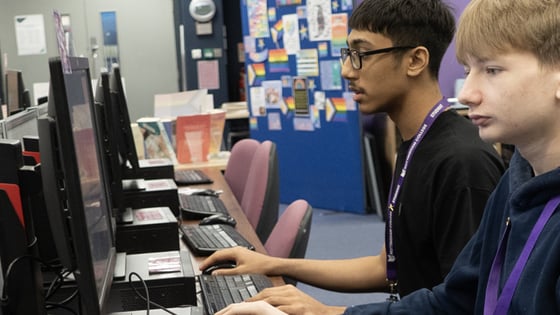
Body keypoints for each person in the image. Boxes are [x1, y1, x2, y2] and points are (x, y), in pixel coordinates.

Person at [201, 0, 505, 313]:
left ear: (415, 60)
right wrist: (272, 263)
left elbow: (465, 304)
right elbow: (386, 267)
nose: (347, 70)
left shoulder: (461, 163)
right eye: (348, 54)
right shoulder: (417, 143)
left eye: (361, 54)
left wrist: (329, 312)